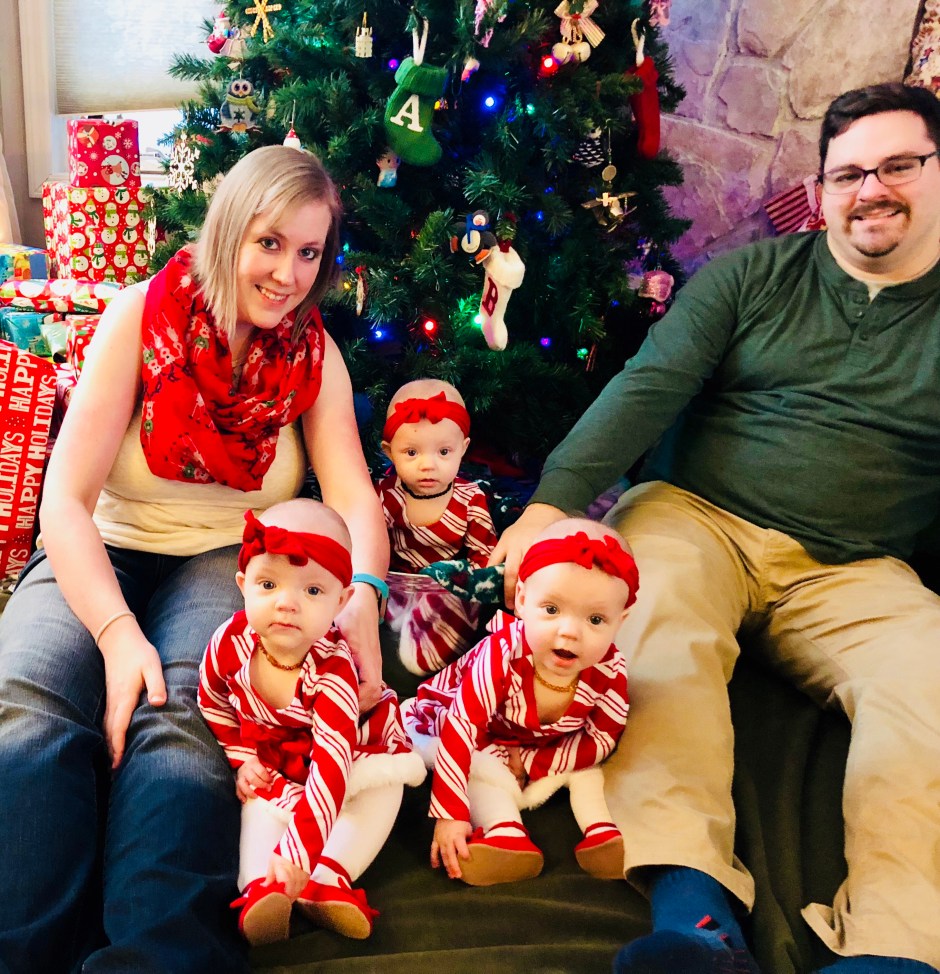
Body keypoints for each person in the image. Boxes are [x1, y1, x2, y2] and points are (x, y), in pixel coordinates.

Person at [490, 82, 940, 974]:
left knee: (931, 683)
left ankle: (896, 949)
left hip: (859, 569)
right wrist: (553, 500)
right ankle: (694, 915)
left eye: (898, 166)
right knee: (646, 618)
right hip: (697, 518)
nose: (871, 190)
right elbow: (650, 384)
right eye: (848, 173)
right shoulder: (753, 277)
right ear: (822, 188)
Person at [0, 145, 389, 973]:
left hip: (230, 561)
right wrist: (116, 636)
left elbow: (355, 497)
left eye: (309, 252)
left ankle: (156, 955)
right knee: (27, 705)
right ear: (226, 231)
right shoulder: (137, 317)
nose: (287, 275)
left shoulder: (312, 355)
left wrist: (363, 593)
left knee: (184, 715)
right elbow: (63, 501)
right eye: (269, 243)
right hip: (99, 545)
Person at [199, 500, 425, 946]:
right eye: (268, 584)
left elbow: (331, 771)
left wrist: (300, 852)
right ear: (243, 586)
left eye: (313, 591)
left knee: (381, 792)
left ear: (342, 601)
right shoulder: (229, 641)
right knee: (257, 804)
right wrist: (243, 758)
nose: (286, 603)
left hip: (350, 756)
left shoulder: (333, 673)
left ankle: (328, 877)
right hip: (277, 759)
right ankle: (262, 889)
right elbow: (212, 700)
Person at [404, 517, 636, 887]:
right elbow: (460, 727)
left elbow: (603, 737)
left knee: (590, 771)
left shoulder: (610, 670)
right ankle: (504, 832)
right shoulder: (502, 653)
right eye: (552, 609)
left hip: (543, 747)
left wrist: (532, 762)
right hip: (470, 728)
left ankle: (604, 833)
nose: (569, 632)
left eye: (595, 619)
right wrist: (450, 813)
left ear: (620, 622)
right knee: (481, 768)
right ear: (523, 601)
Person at [377, 378, 499, 675]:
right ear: (389, 452)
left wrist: (465, 582)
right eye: (411, 453)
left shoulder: (470, 499)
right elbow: (372, 545)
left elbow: (485, 556)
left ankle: (434, 653)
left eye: (444, 452)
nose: (428, 465)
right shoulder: (386, 496)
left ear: (463, 449)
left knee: (453, 624)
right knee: (379, 617)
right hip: (397, 586)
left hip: (450, 589)